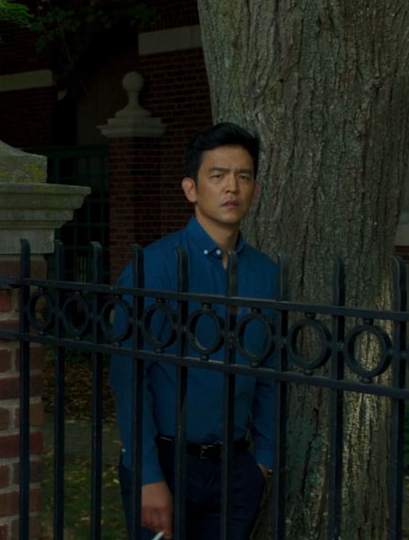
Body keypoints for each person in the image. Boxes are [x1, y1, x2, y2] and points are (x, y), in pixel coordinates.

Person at [109, 123, 276, 540]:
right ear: (191, 188)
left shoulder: (266, 275)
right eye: (217, 176)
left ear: (255, 189)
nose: (232, 188)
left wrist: (264, 459)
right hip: (166, 464)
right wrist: (147, 474)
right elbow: (129, 378)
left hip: (238, 470)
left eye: (244, 176)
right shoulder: (156, 267)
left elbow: (273, 372)